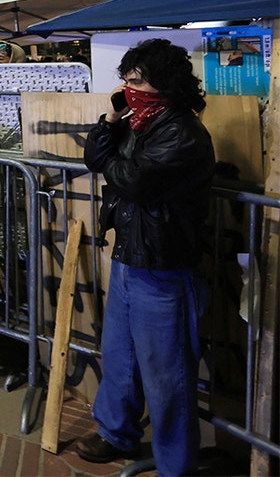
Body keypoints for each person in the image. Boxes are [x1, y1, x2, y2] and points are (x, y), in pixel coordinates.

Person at [74, 39, 214, 475]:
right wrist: (112, 120)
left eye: (137, 81)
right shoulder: (140, 123)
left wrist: (113, 158)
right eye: (126, 80)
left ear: (164, 84)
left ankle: (176, 466)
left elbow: (134, 182)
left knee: (167, 376)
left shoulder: (182, 133)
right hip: (131, 257)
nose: (128, 88)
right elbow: (94, 156)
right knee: (120, 355)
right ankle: (116, 433)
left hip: (164, 268)